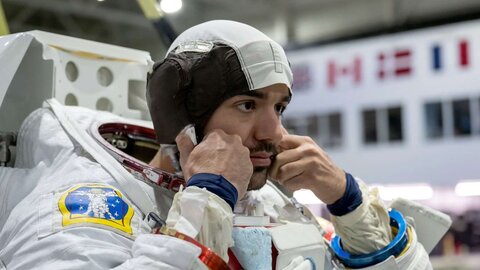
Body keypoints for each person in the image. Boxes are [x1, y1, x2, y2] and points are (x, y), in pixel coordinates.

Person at [0, 20, 443, 269]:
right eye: (248, 105)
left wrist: (350, 205)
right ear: (180, 116)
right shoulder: (87, 203)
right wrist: (205, 202)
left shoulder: (265, 204)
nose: (273, 132)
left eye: (280, 107)